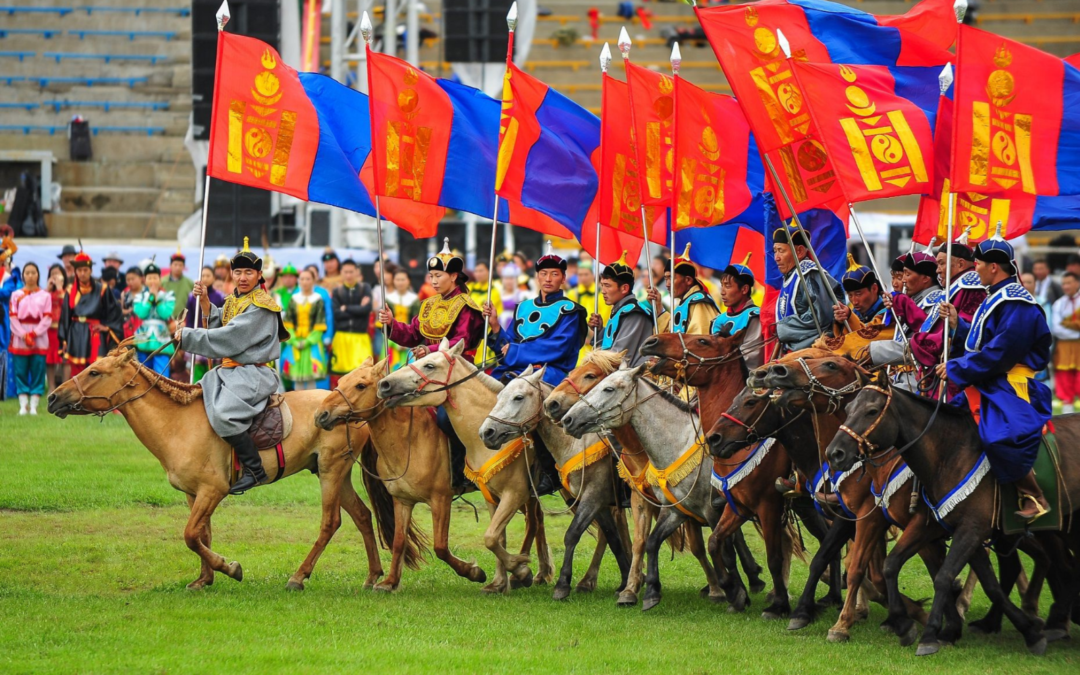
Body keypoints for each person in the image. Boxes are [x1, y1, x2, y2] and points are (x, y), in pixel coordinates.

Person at [937, 231, 1053, 522]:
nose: (974, 270)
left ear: (993, 267)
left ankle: (1034, 496)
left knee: (998, 435)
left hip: (1011, 385)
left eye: (977, 264)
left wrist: (955, 368)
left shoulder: (1017, 303)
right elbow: (983, 343)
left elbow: (1001, 353)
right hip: (990, 379)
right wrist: (956, 325)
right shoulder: (996, 298)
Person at [175, 238, 290, 495]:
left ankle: (255, 469)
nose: (242, 277)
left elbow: (229, 338)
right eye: (237, 272)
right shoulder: (233, 301)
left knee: (225, 413)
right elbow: (220, 323)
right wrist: (205, 302)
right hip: (229, 371)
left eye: (249, 272)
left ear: (259, 275)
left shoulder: (262, 306)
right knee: (197, 398)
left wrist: (188, 336)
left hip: (253, 372)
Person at [377, 239, 485, 490]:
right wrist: (392, 324)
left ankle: (462, 473)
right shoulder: (428, 304)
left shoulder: (467, 307)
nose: (433, 281)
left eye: (438, 276)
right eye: (431, 276)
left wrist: (431, 349)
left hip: (456, 374)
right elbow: (413, 334)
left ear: (454, 276)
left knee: (447, 420)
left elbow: (462, 341)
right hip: (424, 372)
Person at [484, 244, 586, 496]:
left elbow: (557, 348)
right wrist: (496, 327)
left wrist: (515, 353)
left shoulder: (572, 311)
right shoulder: (522, 307)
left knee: (536, 407)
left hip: (552, 372)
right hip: (518, 371)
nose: (548, 279)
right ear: (536, 277)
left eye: (554, 274)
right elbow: (510, 343)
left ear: (563, 278)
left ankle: (549, 472)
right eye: (543, 274)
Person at [773, 224, 842, 354]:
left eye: (781, 251)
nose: (776, 257)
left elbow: (821, 317)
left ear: (799, 251)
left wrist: (783, 329)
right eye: (775, 251)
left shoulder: (809, 274)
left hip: (814, 351)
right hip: (792, 351)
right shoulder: (790, 276)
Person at [59, 249, 122, 376]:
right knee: (77, 370)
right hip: (76, 332)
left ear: (91, 270)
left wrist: (107, 327)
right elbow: (65, 317)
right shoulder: (71, 291)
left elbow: (114, 312)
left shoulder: (102, 289)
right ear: (75, 271)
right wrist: (64, 340)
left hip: (95, 333)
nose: (82, 273)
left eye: (85, 270)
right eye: (79, 270)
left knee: (97, 370)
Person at [588, 251, 654, 367]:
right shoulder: (621, 310)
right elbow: (608, 345)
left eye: (607, 285)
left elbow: (618, 356)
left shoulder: (634, 313)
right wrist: (599, 331)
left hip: (635, 380)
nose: (603, 291)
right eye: (602, 285)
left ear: (624, 288)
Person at [648, 244, 720, 335]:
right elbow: (669, 333)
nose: (667, 284)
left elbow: (699, 340)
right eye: (666, 279)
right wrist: (658, 306)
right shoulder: (684, 302)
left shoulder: (698, 302)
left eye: (671, 278)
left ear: (688, 280)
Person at [9, 262, 50, 415]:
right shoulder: (16, 295)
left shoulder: (45, 295)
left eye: (33, 272)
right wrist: (23, 335)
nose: (30, 275)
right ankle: (23, 404)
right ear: (23, 275)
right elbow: (13, 317)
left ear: (38, 275)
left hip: (39, 337)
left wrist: (33, 334)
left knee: (38, 368)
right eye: (27, 273)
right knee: (20, 369)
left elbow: (47, 318)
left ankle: (34, 405)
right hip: (20, 337)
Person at [712, 253, 764, 370]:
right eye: (722, 286)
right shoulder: (718, 320)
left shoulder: (753, 317)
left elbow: (752, 358)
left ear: (744, 289)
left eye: (728, 286)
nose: (722, 292)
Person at [282, 268, 329, 390]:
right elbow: (288, 322)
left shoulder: (318, 299)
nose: (304, 282)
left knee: (311, 379)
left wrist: (307, 341)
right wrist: (293, 340)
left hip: (312, 343)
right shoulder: (294, 299)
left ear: (313, 280)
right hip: (295, 342)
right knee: (297, 380)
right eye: (302, 279)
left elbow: (320, 323)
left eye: (308, 279)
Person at [330, 259, 372, 387]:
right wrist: (358, 308)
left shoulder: (365, 288)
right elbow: (337, 314)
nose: (348, 275)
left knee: (363, 374)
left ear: (356, 272)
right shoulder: (337, 291)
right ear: (341, 273)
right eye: (346, 272)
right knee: (341, 376)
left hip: (360, 337)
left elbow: (366, 309)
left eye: (351, 272)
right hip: (342, 337)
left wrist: (346, 308)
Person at [131, 261, 176, 376]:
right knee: (144, 373)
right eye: (149, 278)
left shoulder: (168, 296)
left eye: (155, 278)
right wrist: (151, 298)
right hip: (144, 338)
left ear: (160, 279)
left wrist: (158, 299)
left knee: (161, 374)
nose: (152, 281)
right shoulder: (139, 296)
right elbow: (141, 313)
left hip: (162, 338)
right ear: (144, 280)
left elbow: (165, 314)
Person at [185, 266, 225, 383]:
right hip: (198, 335)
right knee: (197, 371)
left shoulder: (220, 296)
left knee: (212, 371)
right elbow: (190, 318)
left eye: (208, 275)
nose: (205, 278)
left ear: (213, 277)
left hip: (214, 337)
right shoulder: (193, 297)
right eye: (203, 276)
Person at [832, 255, 890, 333]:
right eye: (850, 295)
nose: (854, 301)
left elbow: (867, 335)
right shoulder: (855, 312)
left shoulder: (888, 312)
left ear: (874, 289)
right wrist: (841, 322)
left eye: (858, 294)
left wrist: (850, 317)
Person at [567, 259, 610, 362]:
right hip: (581, 339)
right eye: (580, 275)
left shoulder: (601, 293)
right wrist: (582, 334)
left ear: (593, 275)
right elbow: (571, 317)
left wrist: (593, 334)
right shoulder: (573, 293)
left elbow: (605, 315)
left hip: (598, 337)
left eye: (586, 274)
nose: (583, 277)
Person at [1050, 271, 1080, 413]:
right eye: (1063, 284)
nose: (1066, 286)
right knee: (1064, 380)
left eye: (1069, 283)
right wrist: (1076, 327)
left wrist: (1067, 325)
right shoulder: (1058, 304)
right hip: (1063, 347)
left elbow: (1061, 327)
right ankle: (1068, 416)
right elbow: (1056, 329)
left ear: (1077, 283)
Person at [468, 260, 503, 366]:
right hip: (470, 332)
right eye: (476, 271)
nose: (478, 274)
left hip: (485, 332)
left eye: (481, 271)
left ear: (489, 272)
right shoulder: (470, 288)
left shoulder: (494, 291)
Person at [384, 268, 420, 370]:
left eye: (403, 279)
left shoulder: (414, 299)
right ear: (393, 281)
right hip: (391, 341)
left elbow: (416, 321)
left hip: (409, 339)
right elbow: (385, 324)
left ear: (409, 281)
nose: (400, 282)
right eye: (397, 279)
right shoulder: (388, 299)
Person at [45, 264, 66, 391]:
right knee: (50, 359)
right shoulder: (47, 292)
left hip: (63, 329)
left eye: (58, 273)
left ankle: (64, 387)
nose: (55, 276)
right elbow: (40, 303)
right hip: (49, 330)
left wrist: (59, 288)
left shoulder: (67, 290)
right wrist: (48, 288)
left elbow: (67, 305)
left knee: (65, 359)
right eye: (53, 274)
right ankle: (51, 387)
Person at [162, 249, 194, 320]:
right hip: (165, 320)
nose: (178, 267)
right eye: (175, 264)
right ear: (170, 266)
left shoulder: (189, 283)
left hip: (183, 321)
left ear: (184, 267)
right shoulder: (162, 282)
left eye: (180, 265)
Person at [121, 266, 144, 340]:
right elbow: (122, 310)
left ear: (141, 278)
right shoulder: (125, 294)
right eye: (128, 280)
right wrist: (126, 311)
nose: (130, 282)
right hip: (128, 329)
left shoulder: (147, 292)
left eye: (133, 279)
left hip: (143, 328)